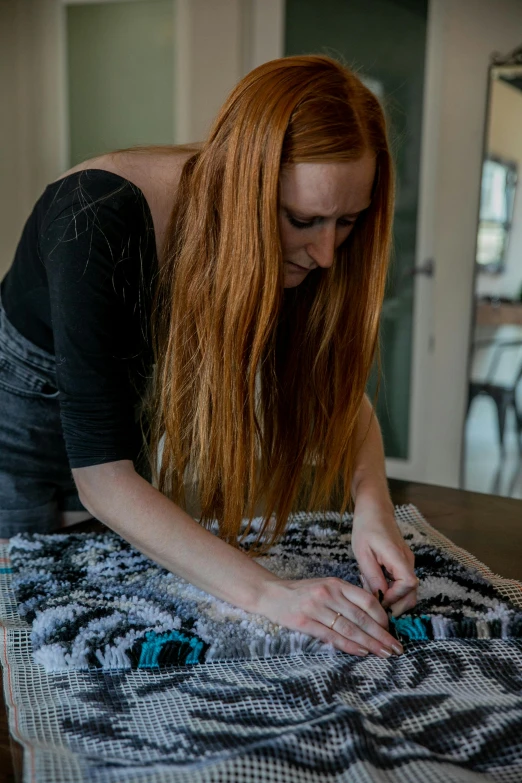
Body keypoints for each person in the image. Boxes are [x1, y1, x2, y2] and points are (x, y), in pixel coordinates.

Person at [0, 55, 417, 659]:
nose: (326, 253)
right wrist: (273, 594)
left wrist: (372, 507)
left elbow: (337, 396)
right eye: (303, 219)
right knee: (28, 629)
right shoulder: (93, 218)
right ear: (244, 184)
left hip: (112, 418)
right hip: (15, 409)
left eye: (347, 221)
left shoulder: (295, 250)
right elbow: (103, 481)